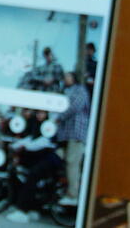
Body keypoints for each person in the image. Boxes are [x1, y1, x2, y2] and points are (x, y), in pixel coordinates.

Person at [57, 70, 92, 206]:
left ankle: (73, 195)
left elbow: (73, 107)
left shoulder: (80, 90)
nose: (65, 78)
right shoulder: (66, 90)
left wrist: (59, 117)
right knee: (65, 159)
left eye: (68, 76)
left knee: (72, 163)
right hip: (67, 134)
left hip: (76, 133)